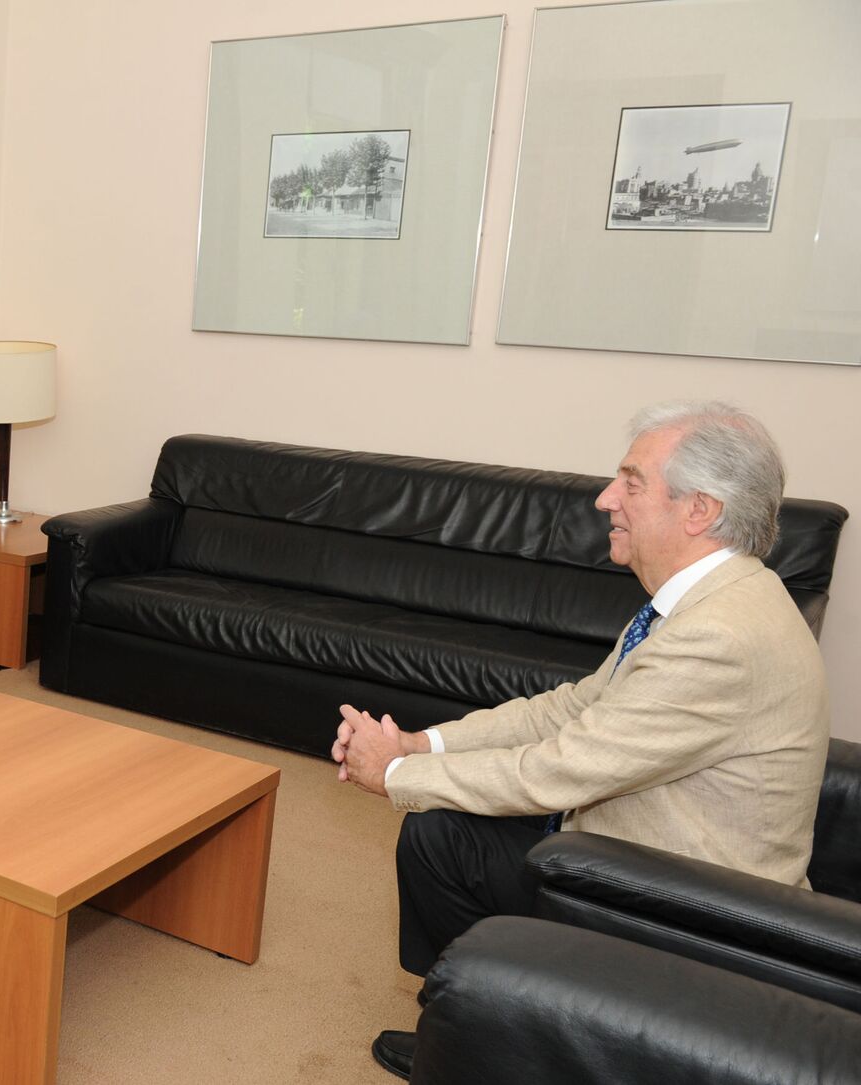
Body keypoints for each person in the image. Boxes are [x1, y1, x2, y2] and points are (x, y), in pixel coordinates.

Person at [329, 402, 828, 1081]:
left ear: (699, 510)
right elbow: (571, 709)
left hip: (685, 908)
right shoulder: (703, 602)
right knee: (440, 835)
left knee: (440, 828)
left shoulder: (720, 636)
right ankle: (476, 1019)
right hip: (640, 855)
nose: (605, 498)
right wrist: (422, 746)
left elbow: (559, 769)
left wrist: (393, 775)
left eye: (631, 482)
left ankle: (493, 1039)